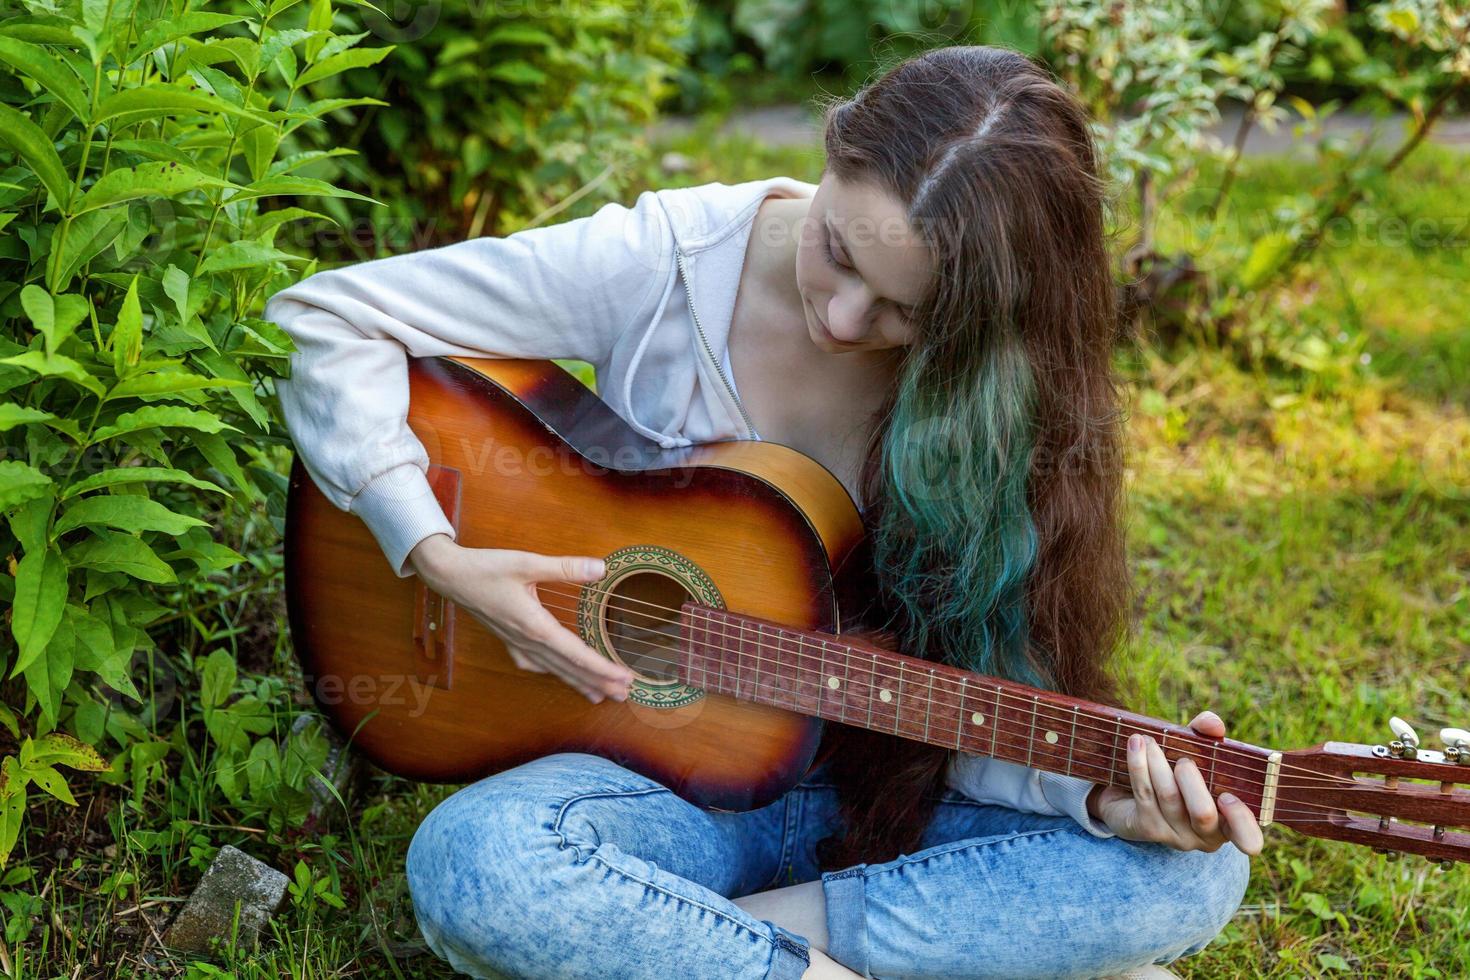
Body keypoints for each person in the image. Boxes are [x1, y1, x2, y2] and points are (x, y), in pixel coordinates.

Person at [265, 45, 1258, 980]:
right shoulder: (662, 261)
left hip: (883, 792)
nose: (841, 320)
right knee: (479, 861)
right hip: (651, 782)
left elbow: (972, 709)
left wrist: (1100, 792)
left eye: (904, 311)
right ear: (833, 148)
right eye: (838, 252)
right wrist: (436, 550)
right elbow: (330, 314)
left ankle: (704, 939)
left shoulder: (1003, 403)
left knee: (1195, 867)